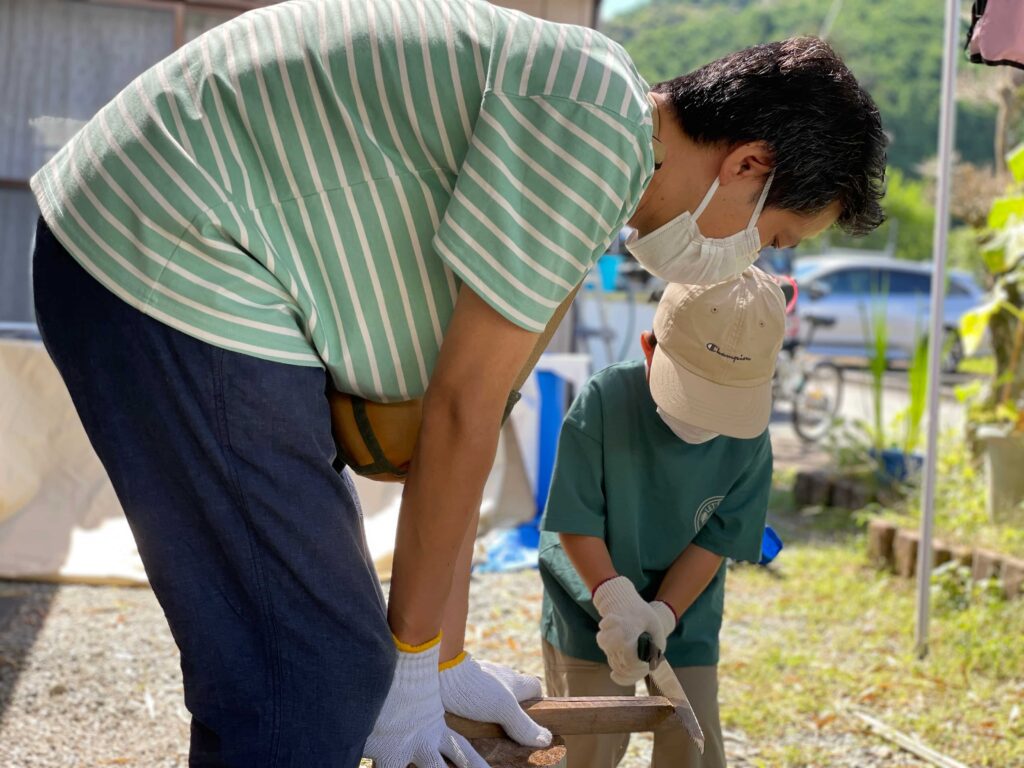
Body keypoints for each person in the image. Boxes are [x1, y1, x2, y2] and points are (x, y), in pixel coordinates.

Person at [27, 0, 886, 762]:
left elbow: (479, 415)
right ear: (747, 163)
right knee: (310, 678)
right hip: (166, 248)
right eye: (769, 237)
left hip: (174, 249)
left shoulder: (599, 131)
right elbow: (460, 413)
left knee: (315, 661)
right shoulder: (593, 133)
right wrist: (405, 664)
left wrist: (437, 657)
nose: (747, 259)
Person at [539, 268, 787, 768]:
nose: (702, 422)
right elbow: (576, 521)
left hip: (686, 609)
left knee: (693, 745)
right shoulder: (605, 402)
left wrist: (665, 613)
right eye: (693, 399)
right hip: (589, 598)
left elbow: (717, 539)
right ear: (650, 348)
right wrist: (614, 598)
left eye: (722, 408)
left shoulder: (751, 440)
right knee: (589, 743)